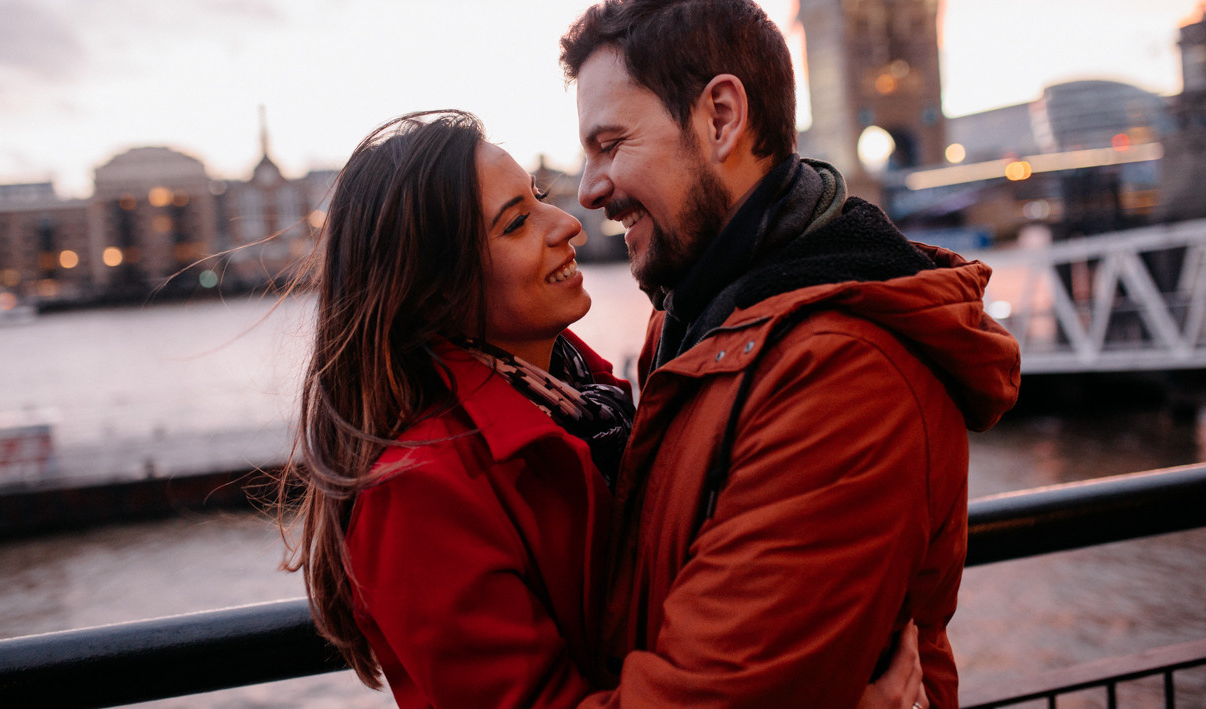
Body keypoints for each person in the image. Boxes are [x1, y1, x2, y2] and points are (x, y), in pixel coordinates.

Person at [278, 110, 929, 708]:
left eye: (537, 196)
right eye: (516, 222)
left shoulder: (600, 402)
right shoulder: (419, 492)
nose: (565, 222)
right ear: (435, 289)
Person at [559, 0, 1021, 708]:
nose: (588, 189)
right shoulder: (697, 323)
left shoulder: (842, 374)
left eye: (610, 143)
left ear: (720, 117)